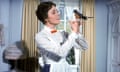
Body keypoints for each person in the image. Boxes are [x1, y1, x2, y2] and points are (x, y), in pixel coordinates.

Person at [35, 1, 88, 72]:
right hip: (51, 69)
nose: (58, 14)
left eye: (57, 11)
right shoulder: (40, 36)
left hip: (65, 68)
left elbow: (84, 46)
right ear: (45, 18)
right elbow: (60, 54)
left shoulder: (62, 33)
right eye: (54, 12)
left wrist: (77, 32)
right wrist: (74, 33)